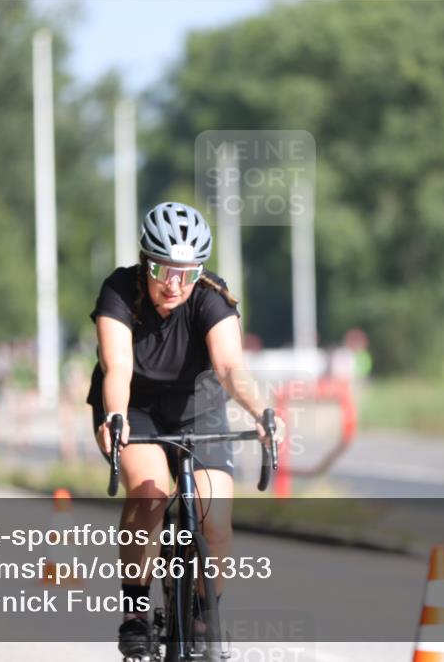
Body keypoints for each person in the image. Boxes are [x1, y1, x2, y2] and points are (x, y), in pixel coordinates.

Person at [87, 201, 284, 659]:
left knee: (215, 516)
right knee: (151, 493)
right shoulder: (120, 290)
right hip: (133, 407)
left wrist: (260, 412)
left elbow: (231, 367)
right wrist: (114, 417)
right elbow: (116, 366)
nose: (174, 284)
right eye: (162, 269)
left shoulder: (210, 296)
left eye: (187, 272)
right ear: (144, 261)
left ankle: (202, 613)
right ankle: (135, 611)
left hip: (199, 410)